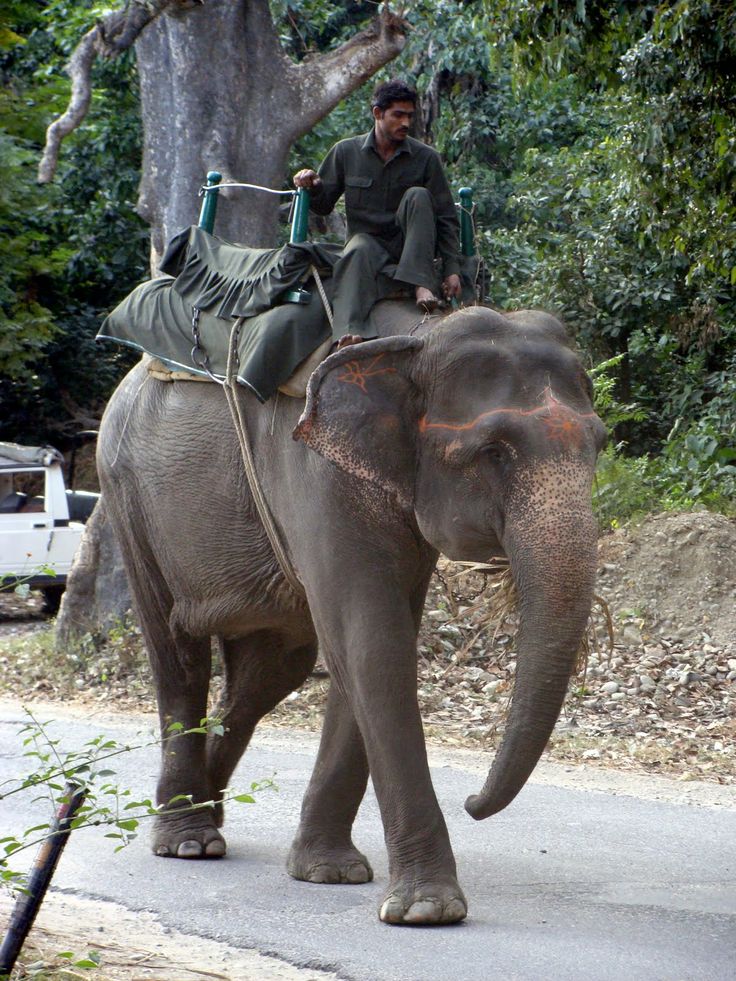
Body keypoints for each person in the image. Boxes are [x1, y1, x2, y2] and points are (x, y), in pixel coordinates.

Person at [293, 79, 462, 345]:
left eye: (409, 116)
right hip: (367, 248)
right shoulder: (346, 152)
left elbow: (446, 219)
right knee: (358, 246)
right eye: (398, 115)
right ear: (377, 113)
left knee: (417, 195)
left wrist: (452, 269)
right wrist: (312, 185)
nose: (405, 123)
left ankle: (421, 285)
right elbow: (322, 205)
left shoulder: (425, 158)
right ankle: (350, 332)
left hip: (412, 247)